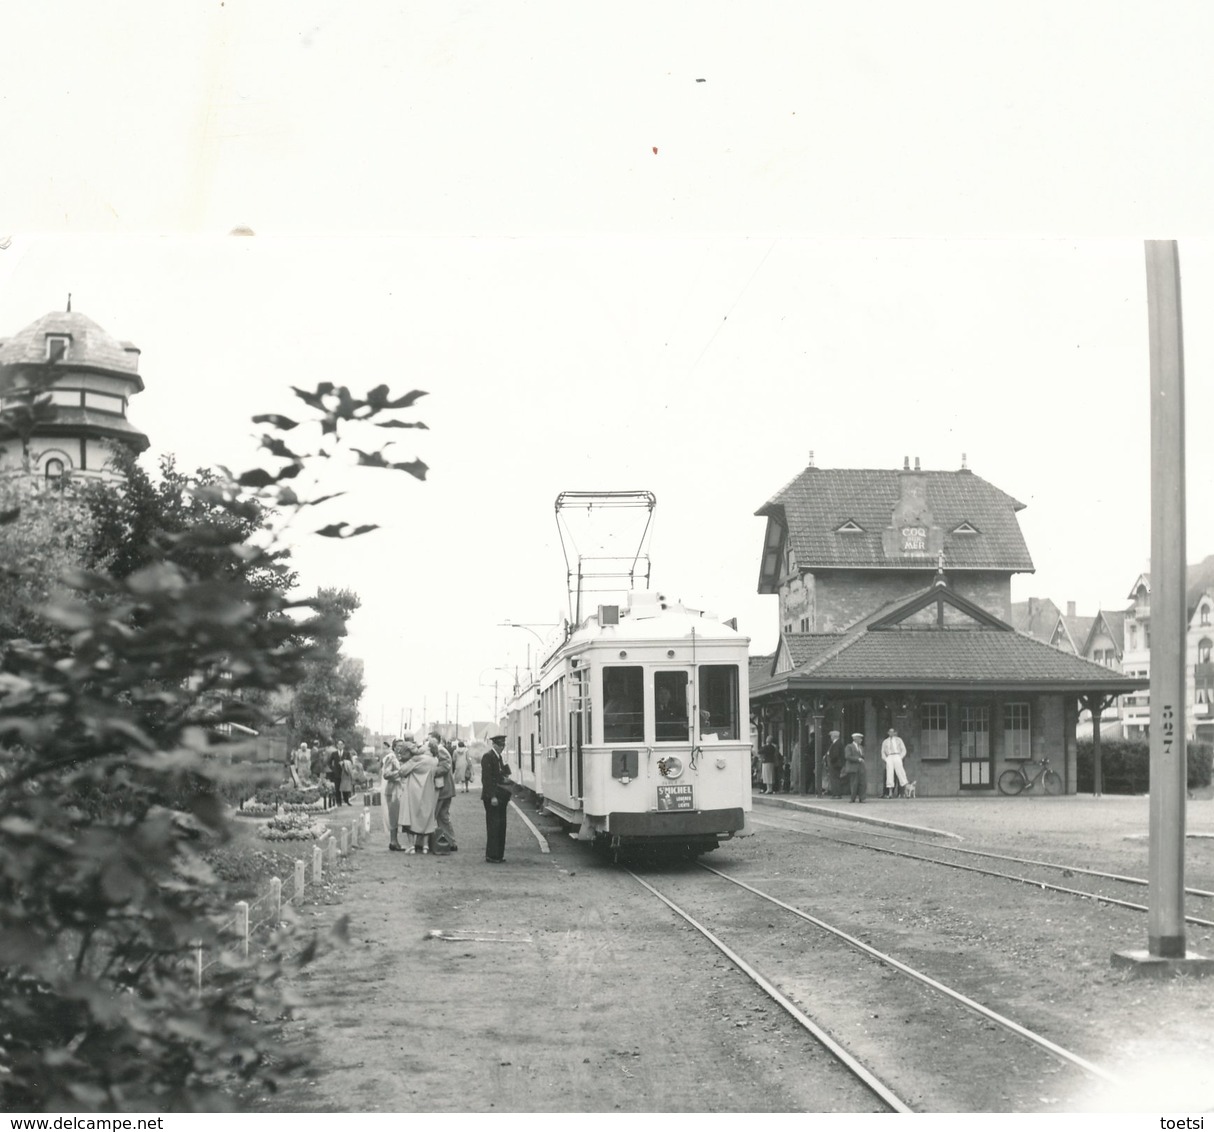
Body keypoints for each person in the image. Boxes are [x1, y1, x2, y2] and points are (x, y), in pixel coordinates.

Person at [399, 742, 440, 853]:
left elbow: (402, 771)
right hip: (428, 790)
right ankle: (425, 846)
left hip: (413, 790)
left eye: (425, 745)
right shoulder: (435, 761)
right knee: (426, 816)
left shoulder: (417, 759)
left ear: (429, 749)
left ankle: (411, 845)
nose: (421, 746)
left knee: (410, 816)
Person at [481, 732, 513, 863]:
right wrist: (492, 796)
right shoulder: (488, 757)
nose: (502, 747)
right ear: (493, 744)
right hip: (493, 796)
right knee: (494, 826)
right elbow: (487, 779)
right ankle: (492, 855)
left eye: (503, 745)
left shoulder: (499, 757)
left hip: (501, 796)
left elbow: (502, 774)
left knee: (501, 825)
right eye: (500, 745)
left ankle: (499, 854)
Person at [432, 737, 458, 852]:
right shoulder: (440, 750)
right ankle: (449, 841)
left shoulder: (440, 750)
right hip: (446, 789)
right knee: (442, 815)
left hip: (444, 789)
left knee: (441, 815)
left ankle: (450, 841)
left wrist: (431, 771)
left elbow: (445, 767)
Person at [381, 740, 405, 850]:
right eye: (398, 746)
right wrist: (399, 773)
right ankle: (393, 841)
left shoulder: (401, 758)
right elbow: (386, 774)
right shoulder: (391, 758)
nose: (400, 748)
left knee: (397, 816)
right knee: (393, 816)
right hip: (392, 790)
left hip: (400, 789)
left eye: (402, 746)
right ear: (394, 747)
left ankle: (395, 841)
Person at [881, 727, 909, 798]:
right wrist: (886, 759)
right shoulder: (885, 741)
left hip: (897, 756)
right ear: (888, 733)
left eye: (892, 732)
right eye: (890, 732)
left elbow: (904, 750)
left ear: (894, 733)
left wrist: (900, 757)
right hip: (889, 757)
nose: (891, 733)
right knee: (889, 774)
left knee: (901, 772)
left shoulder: (899, 740)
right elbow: (883, 752)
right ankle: (890, 793)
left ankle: (905, 791)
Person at [844, 731, 867, 803]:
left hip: (861, 767)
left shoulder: (861, 747)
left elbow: (863, 756)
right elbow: (847, 756)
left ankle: (862, 798)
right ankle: (852, 798)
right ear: (855, 739)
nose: (861, 740)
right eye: (860, 739)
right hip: (853, 767)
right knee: (854, 783)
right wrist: (857, 759)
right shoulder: (849, 746)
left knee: (862, 783)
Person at [825, 730, 846, 797]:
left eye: (831, 736)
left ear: (834, 736)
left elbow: (835, 754)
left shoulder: (837, 743)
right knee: (835, 778)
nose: (831, 737)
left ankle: (836, 793)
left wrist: (831, 759)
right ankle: (836, 793)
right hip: (835, 763)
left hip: (835, 764)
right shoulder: (836, 743)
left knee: (835, 779)